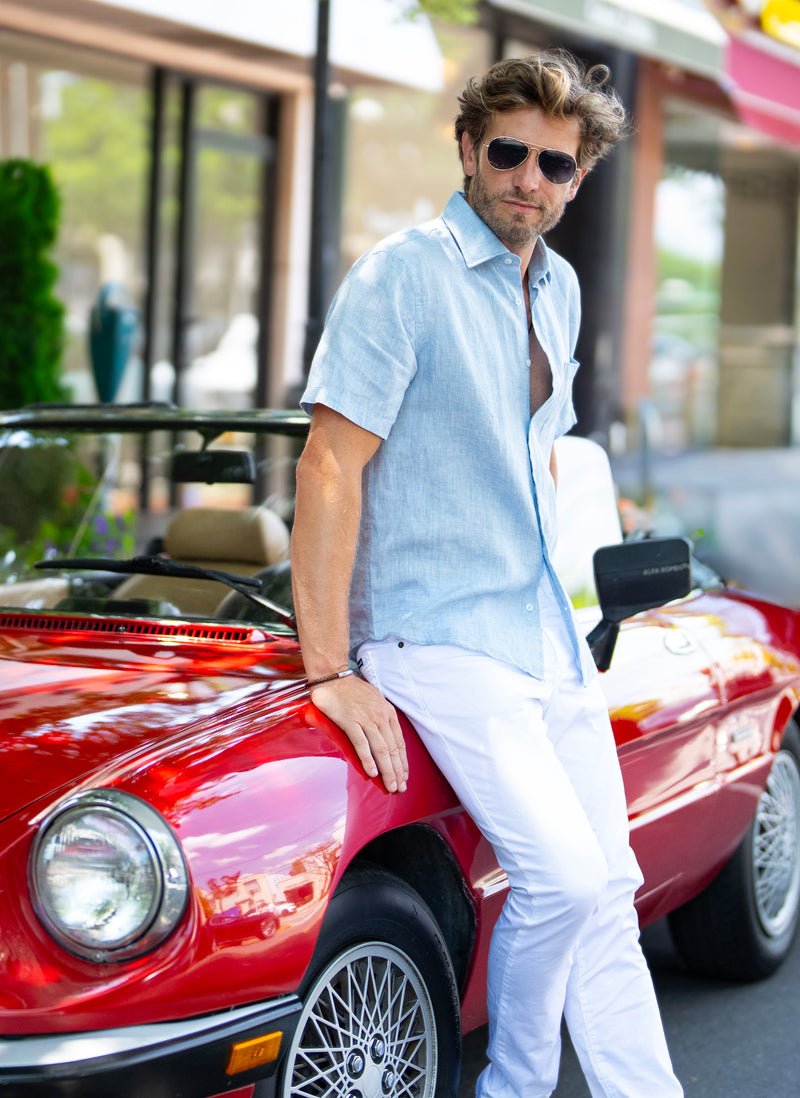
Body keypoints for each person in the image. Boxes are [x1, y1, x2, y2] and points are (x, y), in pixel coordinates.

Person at [291, 48, 683, 1098]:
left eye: (554, 165)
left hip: (542, 633)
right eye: (509, 153)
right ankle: (514, 1086)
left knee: (606, 891)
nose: (527, 179)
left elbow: (537, 457)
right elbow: (330, 464)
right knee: (562, 879)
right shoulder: (402, 275)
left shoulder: (559, 289)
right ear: (468, 149)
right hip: (435, 632)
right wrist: (328, 666)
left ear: (577, 178)